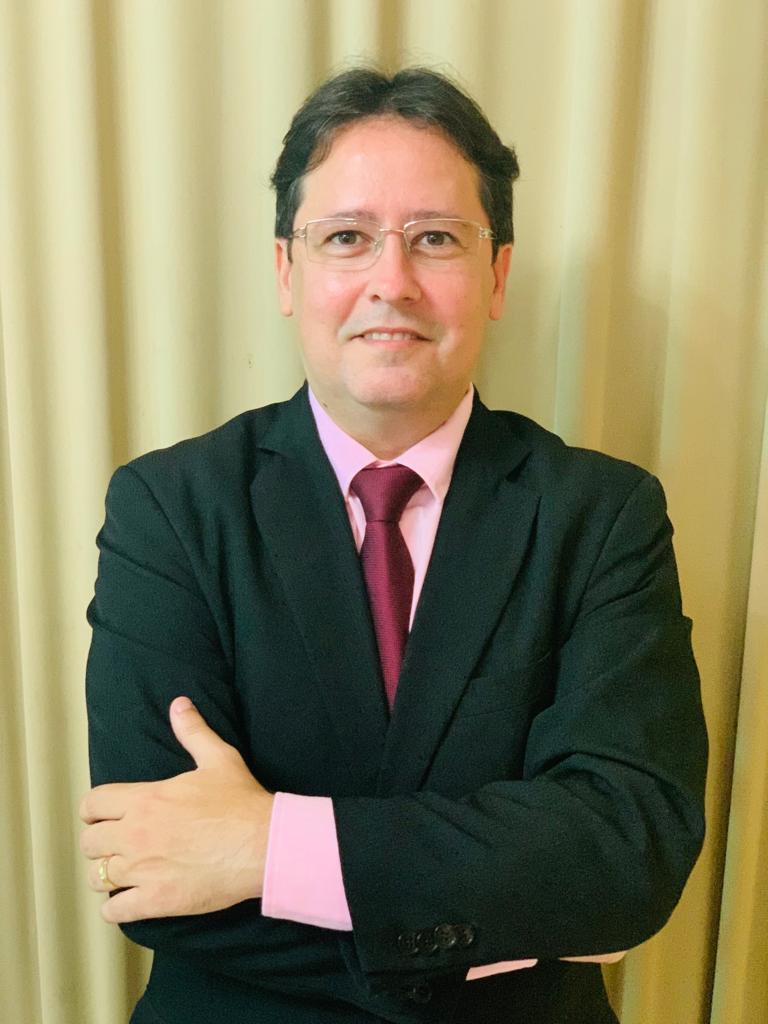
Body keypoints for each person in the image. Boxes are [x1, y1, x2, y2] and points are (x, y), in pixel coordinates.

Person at [79, 67, 707, 1024]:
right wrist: (515, 920)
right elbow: (152, 870)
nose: (392, 282)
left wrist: (266, 847)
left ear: (496, 276)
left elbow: (628, 854)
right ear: (287, 273)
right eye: (346, 238)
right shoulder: (168, 509)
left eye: (436, 239)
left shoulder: (602, 514)